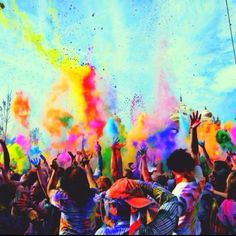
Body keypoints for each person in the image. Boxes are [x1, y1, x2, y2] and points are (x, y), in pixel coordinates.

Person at [95, 177, 178, 235]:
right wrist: (142, 184)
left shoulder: (101, 233)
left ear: (113, 207)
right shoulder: (154, 231)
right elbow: (171, 200)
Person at [166, 111, 203, 235]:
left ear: (174, 171)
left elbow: (169, 222)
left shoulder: (180, 194)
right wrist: (194, 130)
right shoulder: (198, 180)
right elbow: (194, 153)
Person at [47, 158, 98, 235]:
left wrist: (55, 170)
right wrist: (87, 166)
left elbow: (50, 190)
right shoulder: (93, 197)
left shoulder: (62, 199)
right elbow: (93, 185)